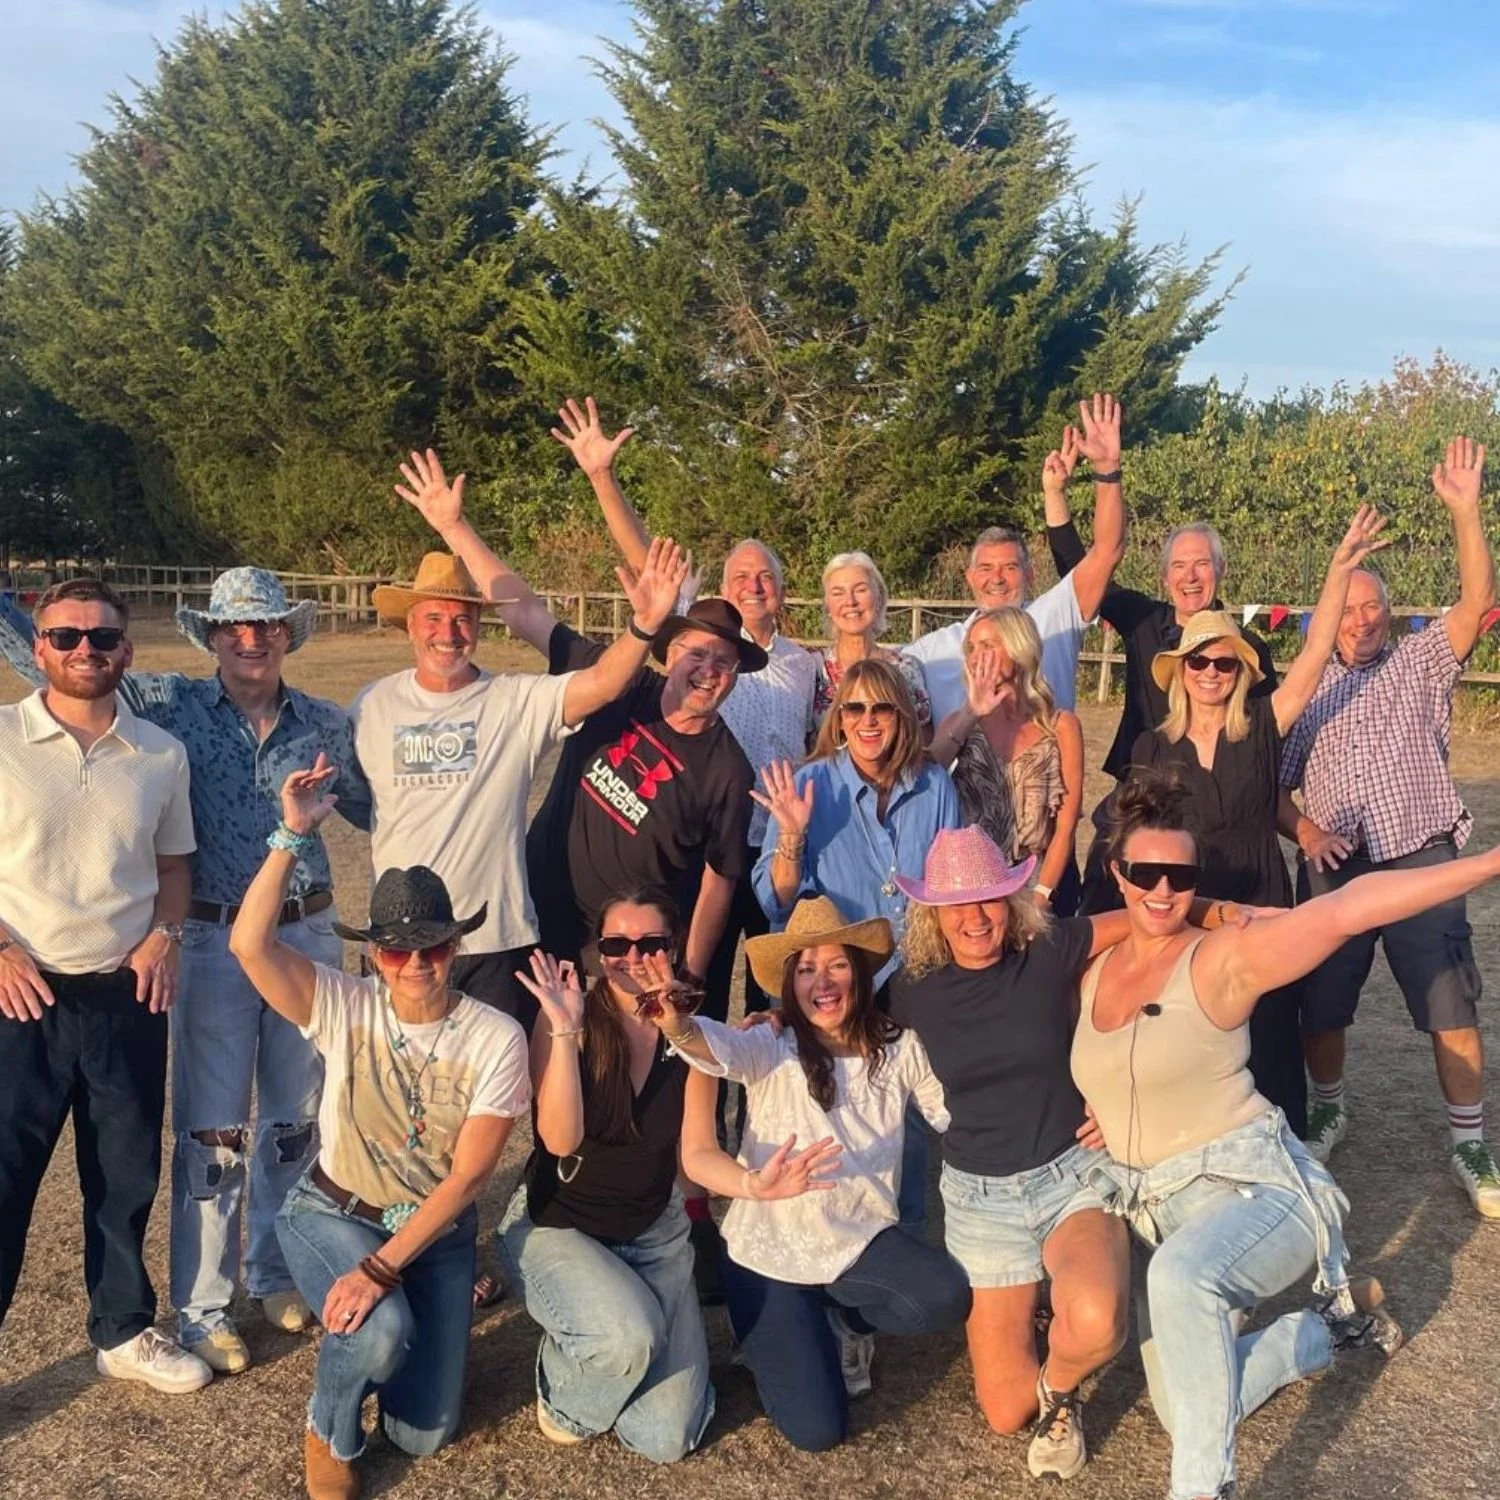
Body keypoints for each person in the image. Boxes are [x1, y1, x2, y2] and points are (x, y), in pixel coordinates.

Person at [1067, 770, 1500, 1500]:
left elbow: (1349, 909)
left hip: (1255, 1193)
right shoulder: (1091, 968)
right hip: (1156, 1210)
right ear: (1118, 873)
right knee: (1188, 1408)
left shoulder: (1225, 959)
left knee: (1182, 1281)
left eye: (1182, 875)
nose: (1164, 891)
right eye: (1146, 873)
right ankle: (1328, 1331)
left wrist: (1490, 864)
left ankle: (1204, 1491)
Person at [0, 566, 373, 1373]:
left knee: (295, 1118)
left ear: (288, 634)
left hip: (303, 935)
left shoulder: (326, 723)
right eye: (234, 626)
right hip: (207, 939)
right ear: (208, 635)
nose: (250, 639)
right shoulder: (164, 707)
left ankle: (277, 1272)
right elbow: (63, 663)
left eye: (267, 624)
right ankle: (204, 1306)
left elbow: (389, 808)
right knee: (213, 1129)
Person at [888, 824, 1251, 1478]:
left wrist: (1221, 913)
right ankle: (1053, 1318)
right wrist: (772, 1020)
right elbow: (835, 1017)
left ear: (1013, 899)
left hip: (1071, 1175)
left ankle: (1063, 1385)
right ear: (933, 915)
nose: (976, 917)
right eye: (957, 905)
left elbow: (1151, 912)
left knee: (1096, 1320)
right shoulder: (913, 990)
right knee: (1003, 1411)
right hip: (980, 1199)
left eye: (990, 898)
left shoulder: (1050, 952)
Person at [231, 762, 530, 1500]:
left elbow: (466, 1180)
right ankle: (328, 1426)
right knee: (379, 1330)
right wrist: (291, 835)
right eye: (398, 950)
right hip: (331, 1212)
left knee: (425, 1432)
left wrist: (384, 1266)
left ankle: (388, 1335)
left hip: (434, 1234)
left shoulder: (495, 1037)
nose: (417, 964)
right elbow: (247, 945)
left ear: (456, 949)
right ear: (375, 957)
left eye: (433, 947)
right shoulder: (344, 1003)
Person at [357, 453, 693, 1031]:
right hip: (401, 936)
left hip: (494, 935)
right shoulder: (371, 705)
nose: (449, 634)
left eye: (464, 620)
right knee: (407, 1096)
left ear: (480, 628)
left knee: (494, 1093)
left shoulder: (515, 700)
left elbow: (606, 681)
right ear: (409, 625)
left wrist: (643, 626)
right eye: (434, 619)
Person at [656, 896, 971, 1452]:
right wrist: (678, 1025)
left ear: (861, 972)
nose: (821, 982)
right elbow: (714, 1046)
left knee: (943, 1295)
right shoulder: (769, 1044)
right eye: (805, 969)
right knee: (819, 1430)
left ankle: (846, 1322)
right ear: (788, 984)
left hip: (857, 1243)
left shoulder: (899, 1049)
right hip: (768, 1256)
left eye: (837, 965)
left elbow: (957, 1115)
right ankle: (763, 1332)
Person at [1279, 437, 1500, 1215]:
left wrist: (1466, 514)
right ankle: (1329, 1106)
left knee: (1450, 1003)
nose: (1363, 619)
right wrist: (1304, 832)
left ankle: (1470, 1141)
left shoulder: (1419, 663)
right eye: (1350, 606)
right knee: (1323, 1003)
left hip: (1419, 861)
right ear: (1328, 614)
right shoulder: (1306, 690)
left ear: (1388, 613)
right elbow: (1270, 787)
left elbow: (1476, 604)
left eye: (1376, 606)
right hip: (1335, 869)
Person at [0, 579, 209, 1393]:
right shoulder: (3, 738)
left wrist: (165, 935)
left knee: (123, 1174)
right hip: (22, 994)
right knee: (5, 1177)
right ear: (39, 644)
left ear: (127, 649)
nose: (85, 650)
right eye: (65, 636)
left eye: (102, 637)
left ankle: (121, 1328)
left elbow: (173, 868)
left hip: (124, 991)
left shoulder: (160, 752)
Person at [549, 396, 819, 1021]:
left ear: (780, 592)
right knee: (703, 981)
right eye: (741, 575)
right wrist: (602, 477)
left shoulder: (807, 663)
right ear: (722, 589)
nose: (754, 584)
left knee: (774, 994)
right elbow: (649, 561)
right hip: (702, 838)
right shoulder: (702, 645)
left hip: (775, 845)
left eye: (766, 577)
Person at [1127, 506, 1390, 1135]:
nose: (1212, 673)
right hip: (1191, 905)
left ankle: (1286, 1154)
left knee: (1271, 1031)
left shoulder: (1265, 727)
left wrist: (1338, 568)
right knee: (1195, 1029)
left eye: (1224, 663)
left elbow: (1318, 647)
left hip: (1264, 900)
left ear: (1242, 670)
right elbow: (1136, 846)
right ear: (1181, 671)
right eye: (1199, 663)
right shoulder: (1152, 749)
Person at [495, 892, 714, 1462]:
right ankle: (572, 1366)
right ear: (599, 952)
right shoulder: (569, 1019)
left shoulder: (692, 1034)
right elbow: (559, 1140)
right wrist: (564, 1032)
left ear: (673, 947)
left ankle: (614, 1325)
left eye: (651, 943)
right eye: (617, 944)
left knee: (667, 1440)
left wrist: (760, 1186)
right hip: (562, 1225)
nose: (633, 957)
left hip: (652, 1230)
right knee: (628, 1338)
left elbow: (697, 1157)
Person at [904, 394, 1127, 720]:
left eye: (1009, 567)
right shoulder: (936, 649)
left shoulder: (1053, 616)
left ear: (1030, 574)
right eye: (985, 568)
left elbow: (1107, 551)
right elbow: (878, 674)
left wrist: (1106, 469)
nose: (996, 578)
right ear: (970, 578)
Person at [752, 657, 960, 982]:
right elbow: (775, 904)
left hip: (918, 979)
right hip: (834, 988)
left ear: (901, 715)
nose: (868, 720)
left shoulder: (935, 787)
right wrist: (791, 838)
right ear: (839, 719)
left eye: (882, 708)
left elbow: (953, 890)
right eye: (855, 709)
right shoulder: (807, 787)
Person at [927, 607, 1085, 915]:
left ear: (1019, 647)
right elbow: (926, 775)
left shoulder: (1060, 726)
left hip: (1037, 884)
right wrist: (971, 713)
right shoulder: (959, 723)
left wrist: (1040, 899)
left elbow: (1064, 829)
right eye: (971, 649)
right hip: (972, 887)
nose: (976, 657)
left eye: (988, 646)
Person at [812, 550, 932, 727]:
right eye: (838, 593)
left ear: (879, 598)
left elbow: (922, 741)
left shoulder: (904, 668)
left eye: (860, 590)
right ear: (828, 606)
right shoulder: (812, 668)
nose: (850, 601)